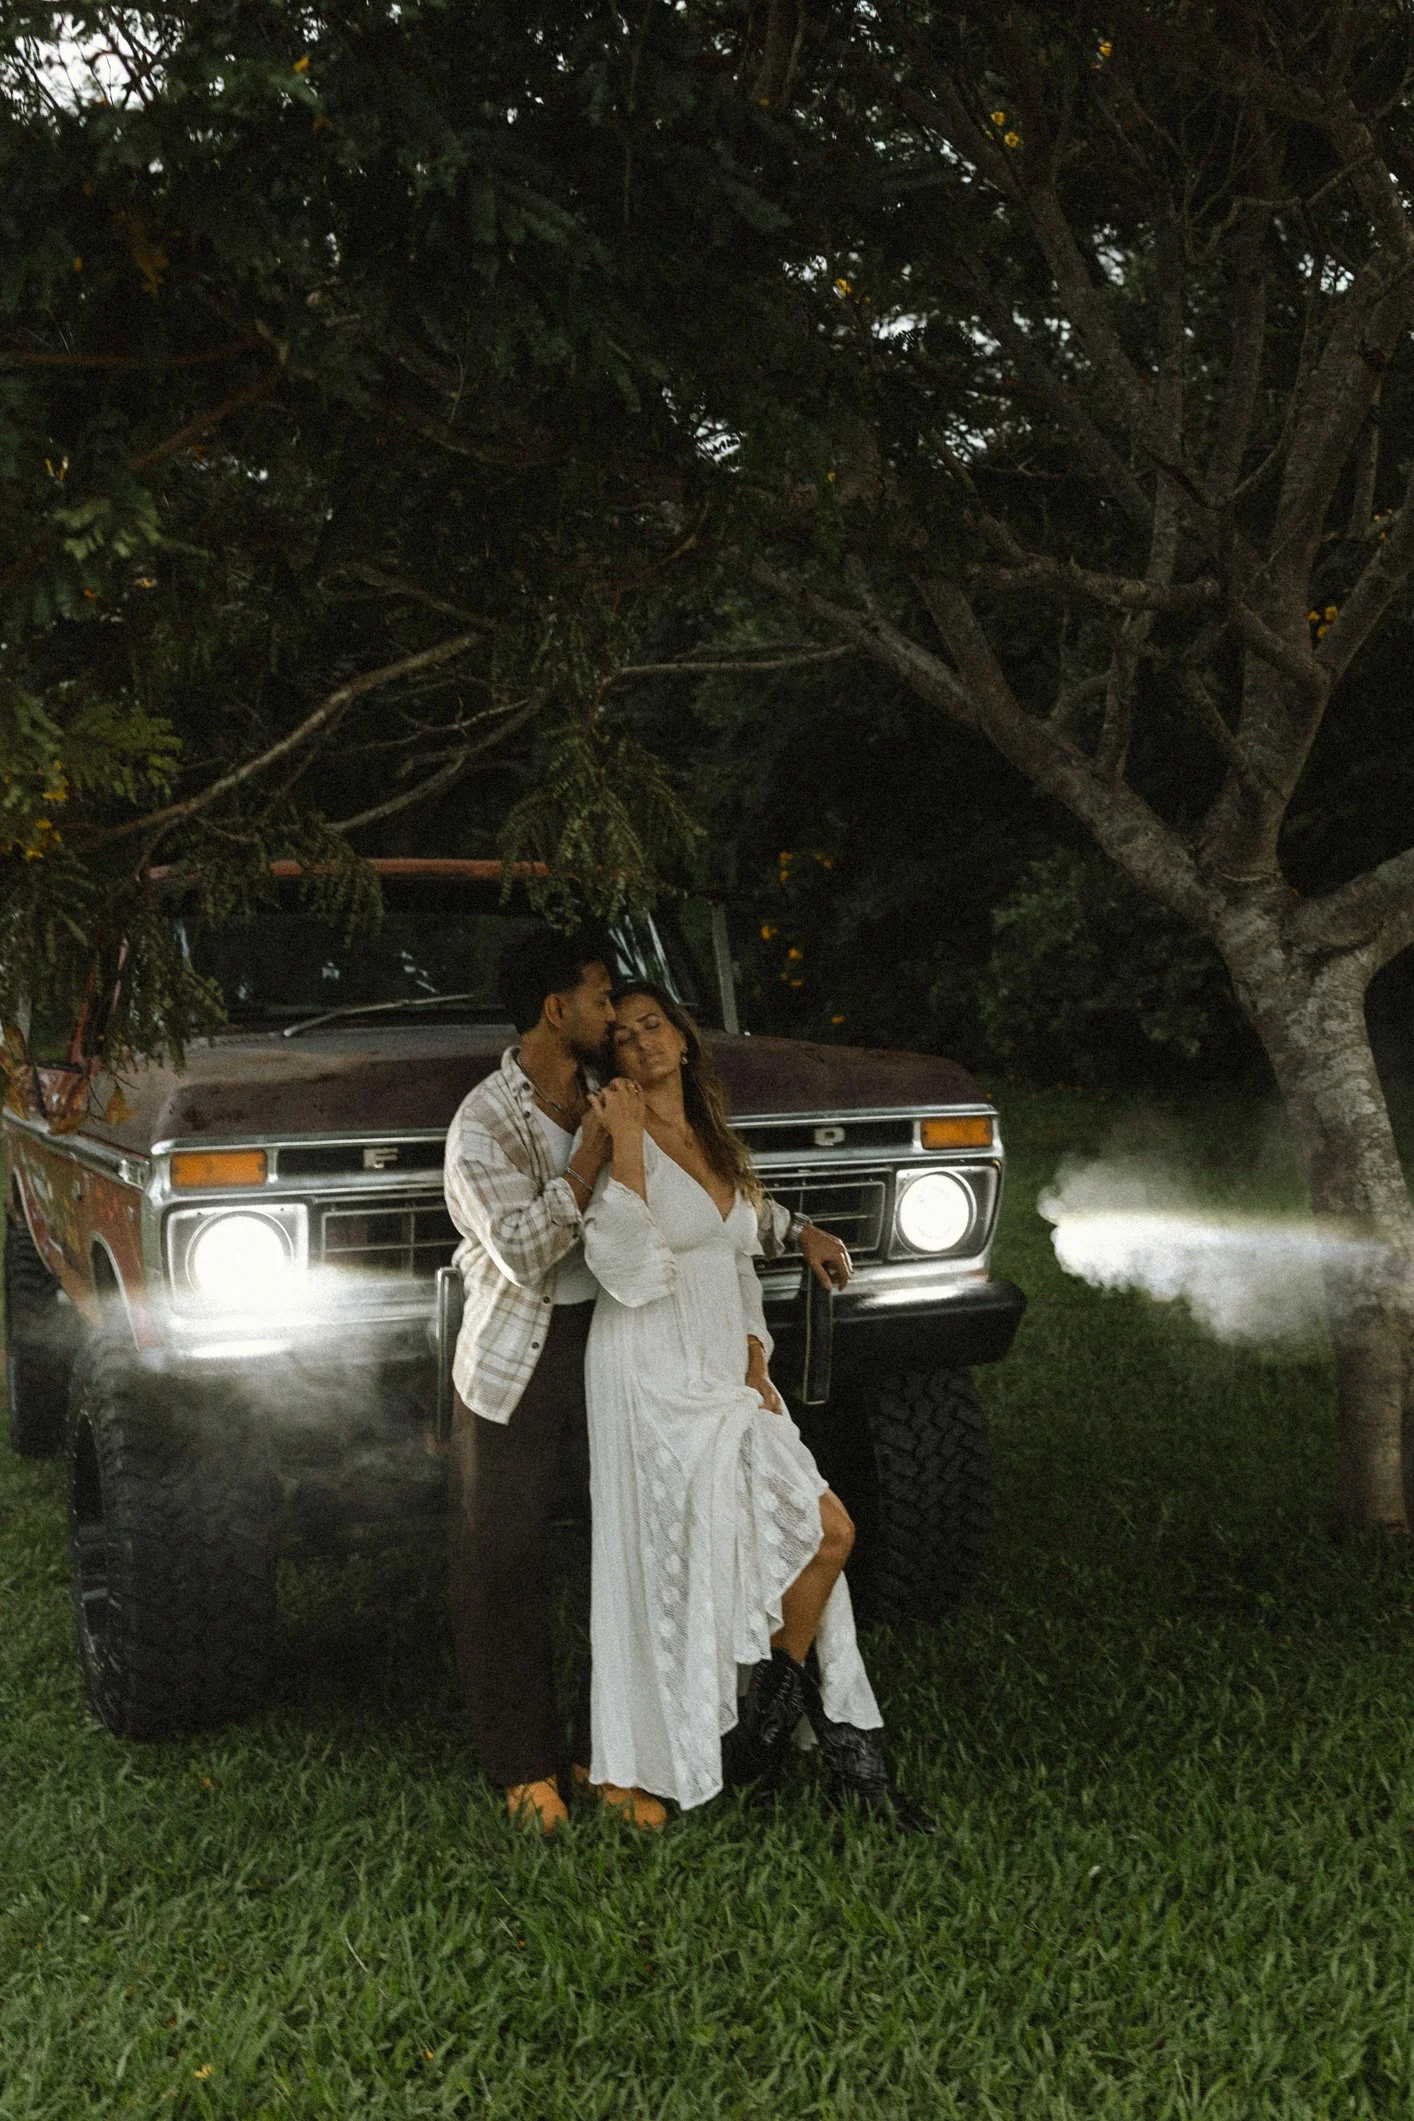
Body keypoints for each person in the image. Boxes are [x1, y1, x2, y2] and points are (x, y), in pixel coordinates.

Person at [443, 931, 853, 1837]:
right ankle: (522, 1765)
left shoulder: (609, 1086)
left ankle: (609, 1752)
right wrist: (593, 1153)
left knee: (634, 1544)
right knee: (502, 1556)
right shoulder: (484, 1124)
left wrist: (795, 1229)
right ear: (558, 1009)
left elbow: (703, 1195)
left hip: (627, 1342)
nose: (618, 1017)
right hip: (521, 1357)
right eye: (601, 1000)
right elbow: (522, 1253)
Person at [579, 982, 932, 1832]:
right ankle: (801, 1748)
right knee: (728, 1545)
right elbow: (628, 1265)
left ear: (683, 1038)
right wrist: (623, 1143)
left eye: (654, 1025)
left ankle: (766, 1735)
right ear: (613, 1058)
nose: (642, 1043)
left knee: (813, 1533)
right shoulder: (617, 1135)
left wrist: (792, 1253)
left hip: (726, 1368)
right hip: (652, 1371)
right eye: (623, 1037)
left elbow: (738, 1234)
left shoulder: (711, 1133)